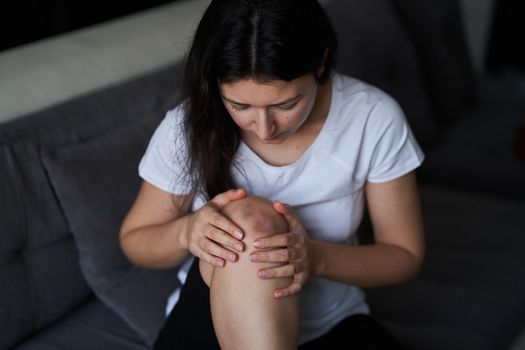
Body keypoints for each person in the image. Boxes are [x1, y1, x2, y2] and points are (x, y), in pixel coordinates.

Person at [119, 0, 425, 348]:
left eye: (285, 105)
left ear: (321, 62)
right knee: (252, 221)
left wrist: (313, 257)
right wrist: (186, 232)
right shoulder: (188, 126)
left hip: (330, 324)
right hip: (211, 321)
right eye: (240, 106)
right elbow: (136, 241)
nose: (264, 130)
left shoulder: (373, 118)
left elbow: (404, 256)